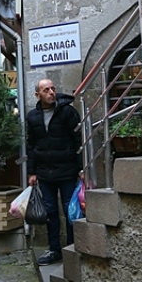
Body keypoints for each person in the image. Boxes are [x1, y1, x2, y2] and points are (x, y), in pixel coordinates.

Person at [25, 78, 81, 265]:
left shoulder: (67, 112)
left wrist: (82, 168)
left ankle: (73, 248)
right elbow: (31, 145)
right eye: (46, 89)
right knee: (50, 212)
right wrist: (32, 172)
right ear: (37, 95)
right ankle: (54, 249)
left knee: (69, 210)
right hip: (44, 172)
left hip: (67, 170)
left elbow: (78, 141)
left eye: (52, 88)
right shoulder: (32, 116)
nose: (51, 92)